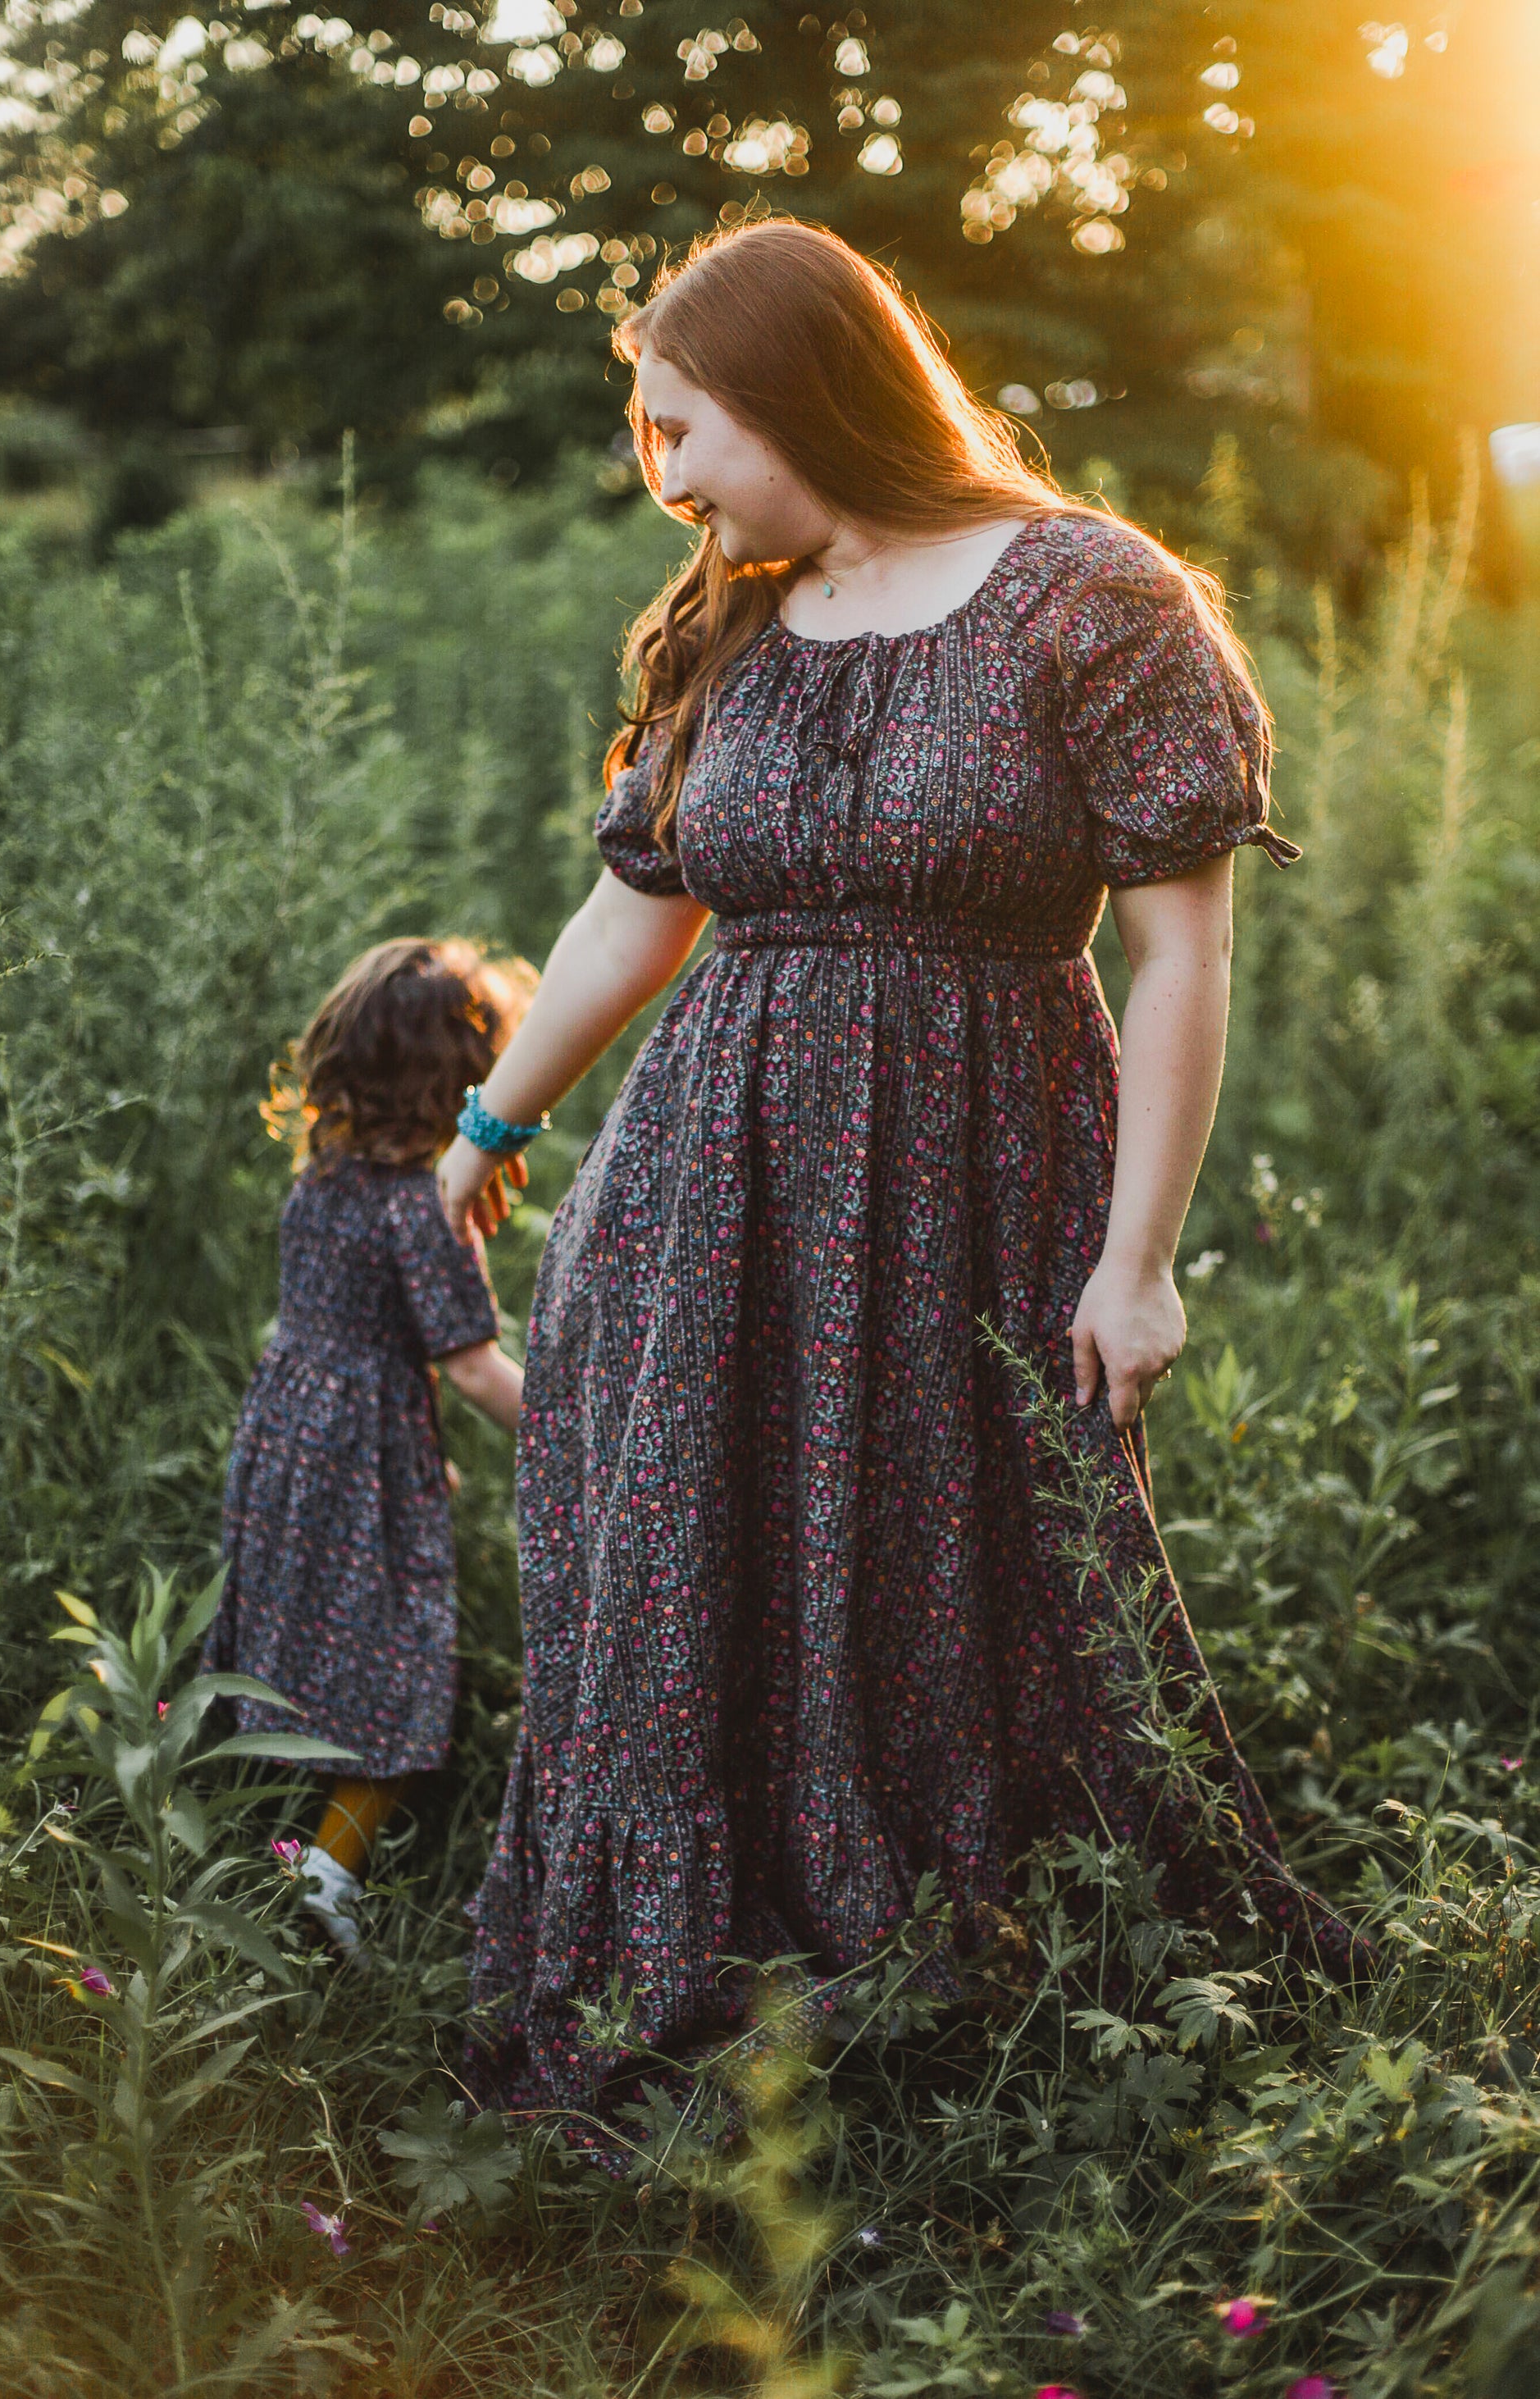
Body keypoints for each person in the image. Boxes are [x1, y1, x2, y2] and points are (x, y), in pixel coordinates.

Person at [440, 219, 1362, 2115]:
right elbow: (634, 916)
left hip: (981, 1169)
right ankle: (711, 1948)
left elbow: (1179, 950)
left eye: (682, 430)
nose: (667, 477)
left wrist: (1141, 1259)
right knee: (696, 1551)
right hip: (707, 1188)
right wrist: (490, 1120)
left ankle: (982, 1958)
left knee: (977, 1552)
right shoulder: (736, 619)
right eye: (649, 439)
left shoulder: (1091, 596)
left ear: (798, 391)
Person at [205, 937, 532, 1953]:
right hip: (360, 1461)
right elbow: (474, 1368)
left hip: (286, 1437)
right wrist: (582, 1427)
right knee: (400, 1669)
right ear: (461, 1079)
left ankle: (248, 1835)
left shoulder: (322, 1177)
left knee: (289, 1638)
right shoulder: (423, 1207)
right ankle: (327, 1869)